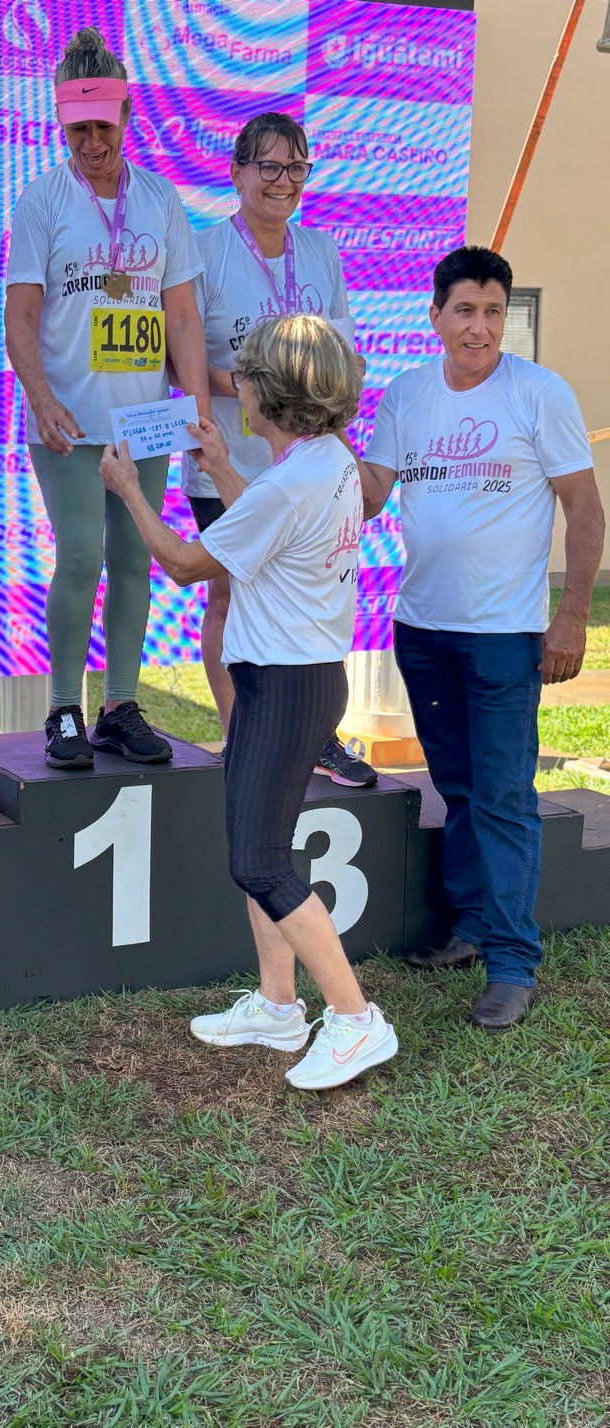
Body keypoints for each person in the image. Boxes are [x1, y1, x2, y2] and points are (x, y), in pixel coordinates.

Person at [100, 314, 398, 1091]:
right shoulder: (324, 461)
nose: (235, 385)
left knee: (257, 860)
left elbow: (184, 565)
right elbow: (267, 515)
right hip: (298, 679)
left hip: (283, 684)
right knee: (262, 849)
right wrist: (225, 466)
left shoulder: (293, 480)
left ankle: (356, 1019)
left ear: (269, 392)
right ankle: (276, 1005)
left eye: (244, 375)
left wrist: (130, 491)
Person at [361, 245, 604, 1029]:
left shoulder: (538, 394)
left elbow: (584, 509)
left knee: (502, 797)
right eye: (463, 310)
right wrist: (302, 442)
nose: (479, 326)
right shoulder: (404, 396)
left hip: (504, 633)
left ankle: (510, 962)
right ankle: (467, 928)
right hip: (421, 629)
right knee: (458, 788)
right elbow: (368, 495)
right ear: (434, 316)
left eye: (492, 311)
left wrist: (569, 616)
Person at [5, 27, 211, 769]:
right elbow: (20, 315)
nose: (91, 142)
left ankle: (120, 705)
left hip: (144, 421)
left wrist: (200, 410)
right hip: (68, 420)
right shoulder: (42, 200)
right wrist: (39, 395)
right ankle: (63, 708)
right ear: (61, 124)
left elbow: (181, 314)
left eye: (102, 126)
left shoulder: (159, 200)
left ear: (127, 120)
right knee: (82, 554)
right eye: (77, 129)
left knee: (133, 560)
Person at [183, 109, 376, 789]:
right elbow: (182, 359)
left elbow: (342, 353)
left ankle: (316, 735)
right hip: (233, 457)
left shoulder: (319, 249)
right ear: (236, 172)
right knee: (230, 598)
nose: (283, 180)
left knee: (310, 599)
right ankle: (244, 732)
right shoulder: (203, 252)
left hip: (311, 466)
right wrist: (257, 383)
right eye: (268, 166)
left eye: (296, 167)